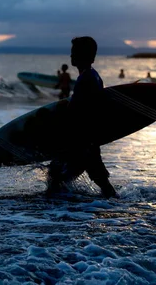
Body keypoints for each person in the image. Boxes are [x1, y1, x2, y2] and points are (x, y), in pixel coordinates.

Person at [47, 36, 117, 198]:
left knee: (56, 175)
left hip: (81, 139)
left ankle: (58, 210)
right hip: (88, 139)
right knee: (99, 180)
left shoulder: (86, 79)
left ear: (85, 56)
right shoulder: (93, 76)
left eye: (74, 53)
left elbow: (77, 110)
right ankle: (71, 207)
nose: (71, 56)